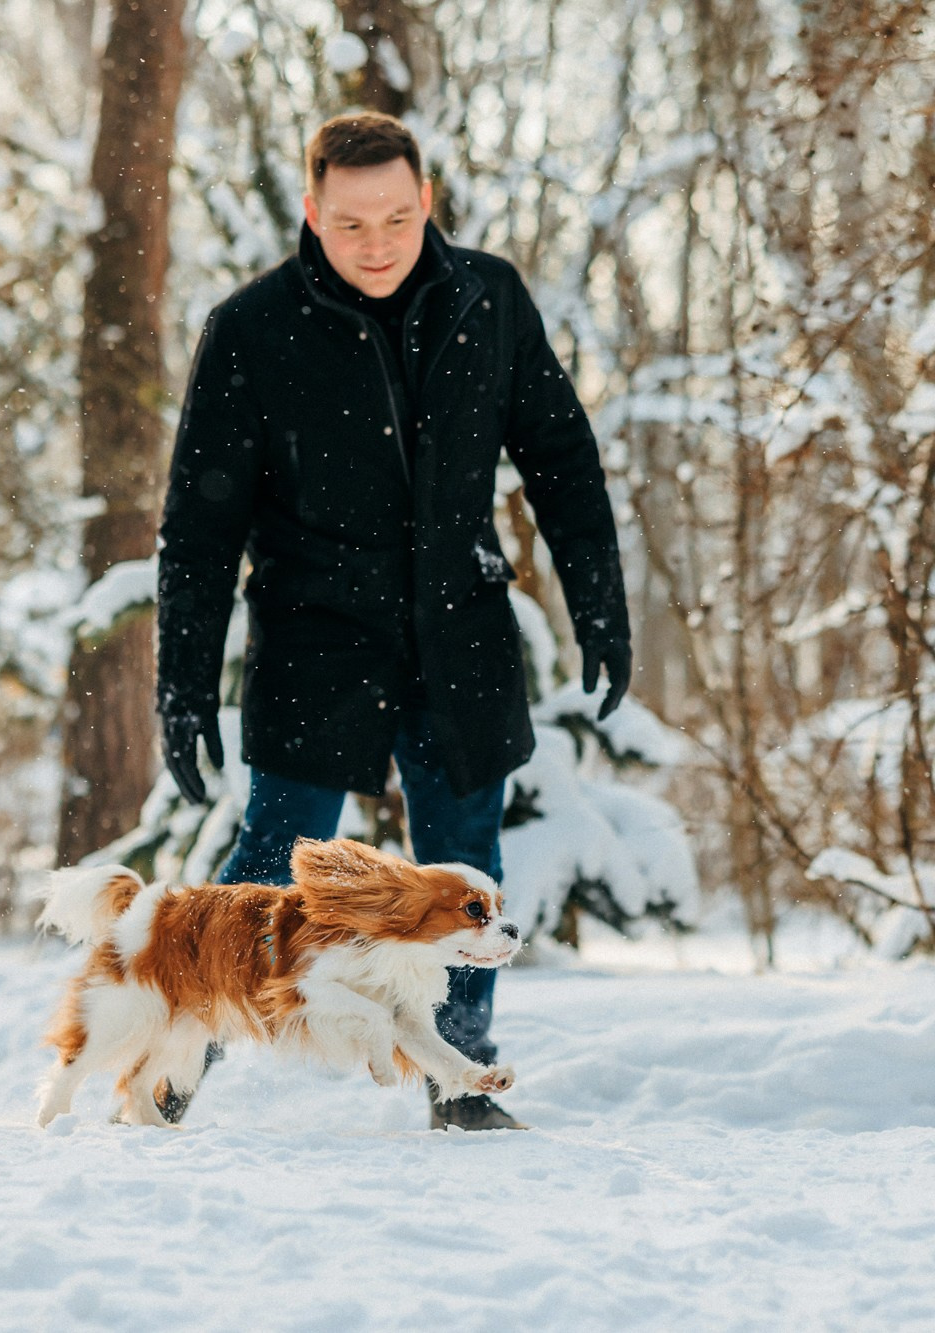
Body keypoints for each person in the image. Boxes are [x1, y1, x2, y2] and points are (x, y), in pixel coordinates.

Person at [152, 111, 631, 1130]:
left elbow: (560, 456)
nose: (377, 244)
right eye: (351, 223)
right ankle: (179, 1051)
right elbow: (198, 526)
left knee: (465, 869)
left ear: (427, 204)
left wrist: (599, 602)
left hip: (458, 629)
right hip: (313, 638)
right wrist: (183, 680)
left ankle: (459, 1079)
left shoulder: (486, 300)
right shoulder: (251, 328)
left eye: (399, 219)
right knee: (274, 865)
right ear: (312, 212)